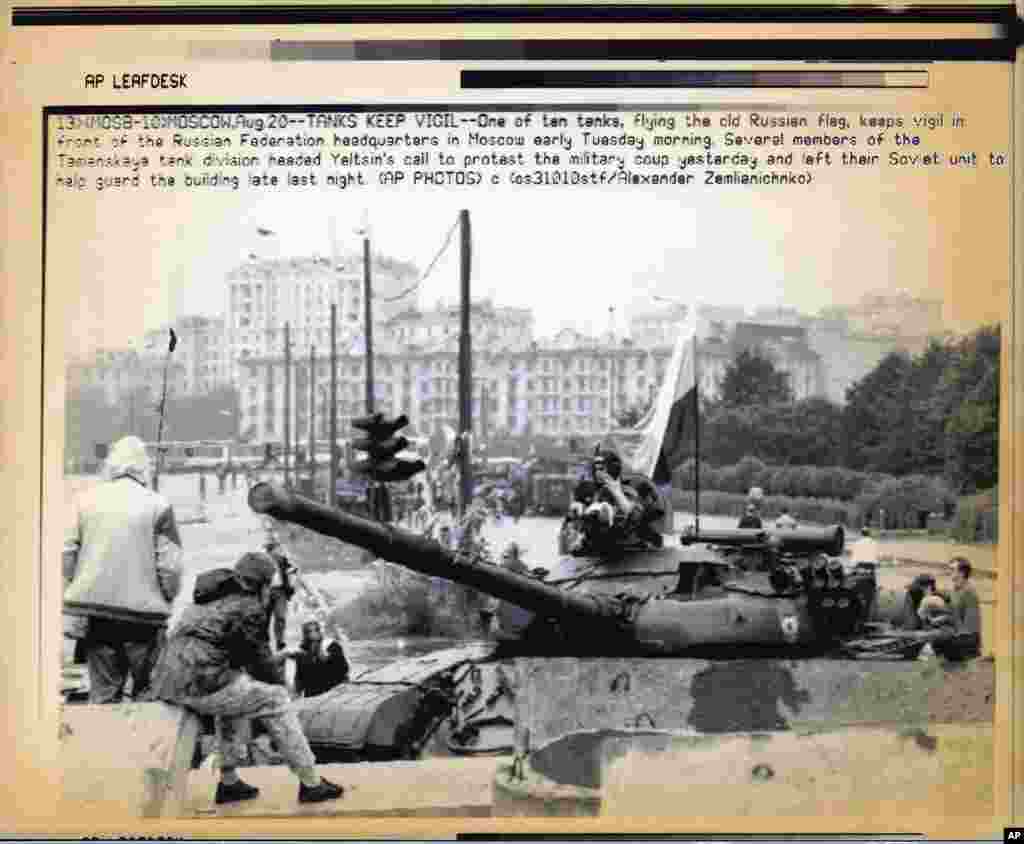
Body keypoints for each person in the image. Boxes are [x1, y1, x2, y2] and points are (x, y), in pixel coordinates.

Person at [148, 552, 344, 805]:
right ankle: (311, 782)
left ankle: (229, 783)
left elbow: (234, 656)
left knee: (235, 693)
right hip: (200, 682)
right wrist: (283, 685)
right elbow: (260, 663)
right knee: (276, 700)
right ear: (263, 583)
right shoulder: (249, 608)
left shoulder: (208, 596)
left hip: (169, 679)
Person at [63, 436, 183, 704]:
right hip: (144, 620)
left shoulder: (83, 501)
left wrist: (79, 584)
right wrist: (166, 596)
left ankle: (104, 743)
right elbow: (171, 567)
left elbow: (67, 552)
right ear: (144, 467)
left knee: (103, 694)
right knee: (147, 693)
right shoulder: (159, 505)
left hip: (96, 617)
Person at [931, 557, 982, 660]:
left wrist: (949, 633)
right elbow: (952, 609)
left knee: (936, 642)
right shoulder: (955, 590)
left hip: (967, 640)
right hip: (957, 635)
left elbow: (970, 627)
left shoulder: (969, 593)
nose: (949, 571)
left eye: (952, 569)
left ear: (962, 573)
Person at [293, 620, 350, 698]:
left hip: (332, 692)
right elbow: (299, 674)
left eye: (316, 630)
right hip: (312, 694)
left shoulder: (332, 645)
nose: (314, 633)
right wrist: (297, 692)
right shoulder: (302, 650)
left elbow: (344, 669)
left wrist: (329, 658)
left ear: (320, 630)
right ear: (305, 634)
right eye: (309, 631)